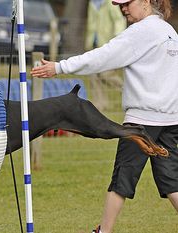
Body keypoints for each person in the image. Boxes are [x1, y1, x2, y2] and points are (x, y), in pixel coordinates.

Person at [30, 0, 178, 232]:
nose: (123, 9)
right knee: (172, 182)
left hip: (141, 122)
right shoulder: (168, 30)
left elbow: (102, 57)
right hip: (171, 119)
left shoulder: (140, 32)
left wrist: (60, 67)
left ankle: (103, 231)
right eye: (120, 5)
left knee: (121, 180)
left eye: (127, 3)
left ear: (146, 1)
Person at [85, 0, 126, 111]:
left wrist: (118, 39)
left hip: (106, 43)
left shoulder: (109, 2)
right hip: (93, 42)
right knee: (93, 75)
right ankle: (100, 104)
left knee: (105, 74)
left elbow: (118, 20)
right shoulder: (92, 2)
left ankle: (128, 91)